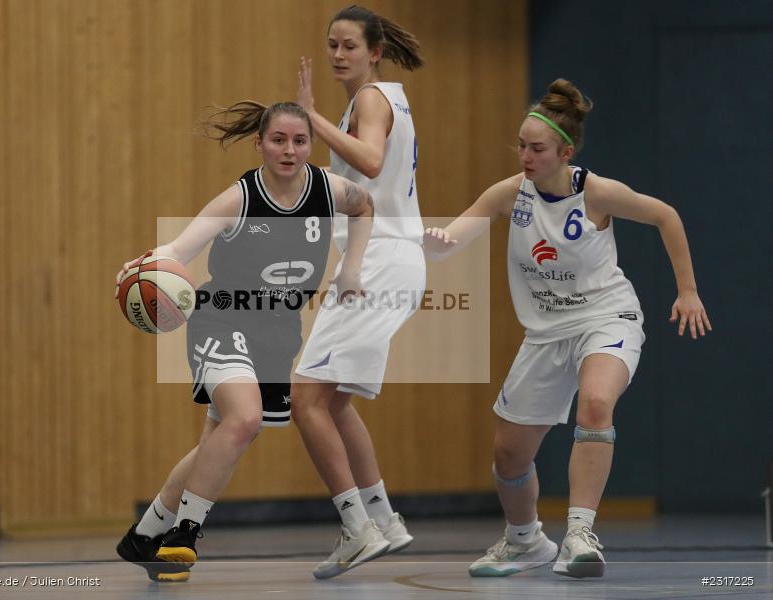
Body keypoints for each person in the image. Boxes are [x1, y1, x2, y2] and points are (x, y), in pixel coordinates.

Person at [425, 79, 712, 579]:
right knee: (508, 454)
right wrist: (436, 241)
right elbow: (455, 235)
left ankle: (580, 534)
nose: (525, 156)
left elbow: (666, 216)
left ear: (565, 151)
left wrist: (687, 290)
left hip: (606, 318)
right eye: (520, 146)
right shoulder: (509, 193)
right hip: (545, 334)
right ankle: (524, 541)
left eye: (536, 148)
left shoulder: (596, 192)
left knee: (597, 402)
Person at [113, 101, 374, 582]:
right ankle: (184, 535)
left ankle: (145, 535)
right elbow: (179, 250)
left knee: (222, 438)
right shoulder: (239, 198)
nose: (289, 150)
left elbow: (365, 207)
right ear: (259, 145)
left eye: (299, 140)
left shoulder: (329, 189)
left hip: (278, 332)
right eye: (278, 140)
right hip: (221, 318)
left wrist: (351, 267)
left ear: (309, 146)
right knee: (245, 417)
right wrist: (141, 267)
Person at [290, 4, 426, 579]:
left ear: (374, 52)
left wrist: (310, 119)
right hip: (384, 257)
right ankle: (384, 519)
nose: (337, 54)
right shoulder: (375, 100)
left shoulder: (372, 100)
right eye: (331, 45)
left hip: (379, 260)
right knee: (333, 401)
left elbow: (369, 159)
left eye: (349, 45)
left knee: (304, 399)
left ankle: (356, 527)